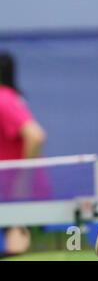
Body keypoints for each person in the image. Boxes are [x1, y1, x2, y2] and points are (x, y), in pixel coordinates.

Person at [0, 52, 47, 256]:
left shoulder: (3, 98)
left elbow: (36, 135)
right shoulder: (10, 97)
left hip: (18, 194)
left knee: (18, 250)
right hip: (14, 191)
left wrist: (23, 179)